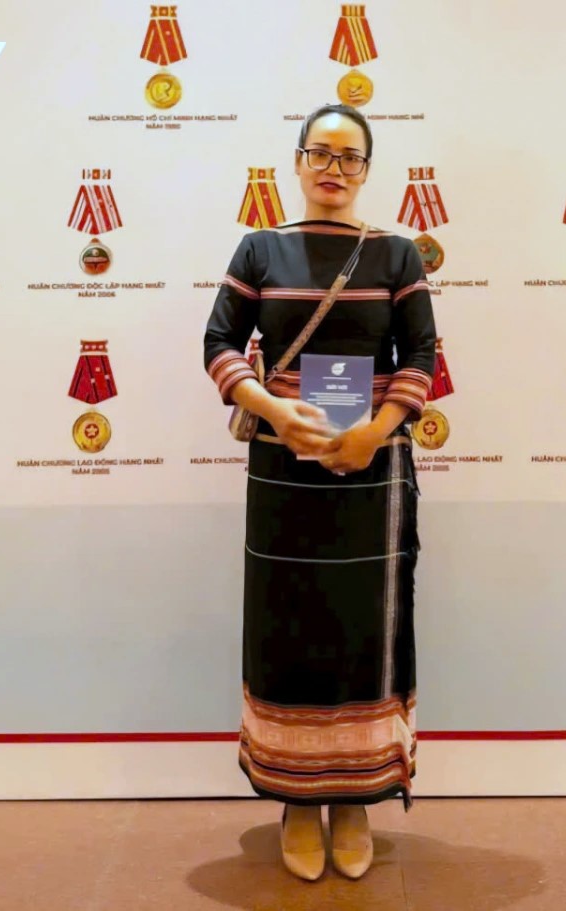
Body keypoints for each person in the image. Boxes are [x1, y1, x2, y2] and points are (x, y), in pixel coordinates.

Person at [202, 103, 437, 881]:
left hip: (374, 471)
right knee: (288, 627)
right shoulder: (260, 247)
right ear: (297, 161)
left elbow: (422, 356)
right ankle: (297, 801)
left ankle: (356, 798)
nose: (334, 168)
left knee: (365, 630)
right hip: (282, 470)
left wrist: (376, 429)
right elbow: (219, 342)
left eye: (350, 156)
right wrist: (271, 409)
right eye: (321, 153)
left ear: (367, 169)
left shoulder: (396, 253)